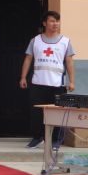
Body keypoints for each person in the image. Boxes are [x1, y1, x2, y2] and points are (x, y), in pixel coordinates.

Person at [19, 10, 75, 148]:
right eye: (52, 21)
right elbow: (28, 58)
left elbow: (69, 62)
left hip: (58, 84)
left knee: (57, 113)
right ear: (44, 23)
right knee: (36, 113)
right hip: (38, 83)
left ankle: (56, 140)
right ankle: (38, 138)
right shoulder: (35, 40)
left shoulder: (65, 41)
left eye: (57, 21)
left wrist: (71, 81)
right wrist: (23, 77)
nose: (55, 24)